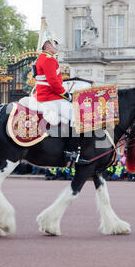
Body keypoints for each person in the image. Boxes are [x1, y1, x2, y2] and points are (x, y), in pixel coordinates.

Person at [34, 24, 87, 164]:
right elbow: (54, 83)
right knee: (77, 116)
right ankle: (72, 151)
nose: (57, 45)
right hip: (49, 97)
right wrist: (67, 95)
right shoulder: (49, 59)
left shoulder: (44, 58)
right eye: (54, 43)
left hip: (47, 95)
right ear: (47, 46)